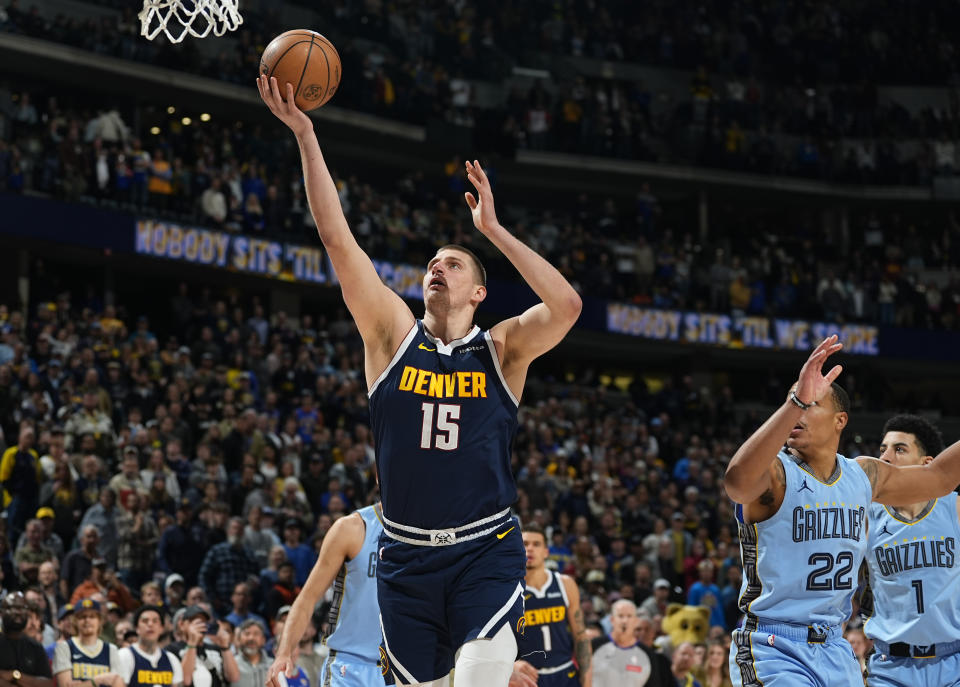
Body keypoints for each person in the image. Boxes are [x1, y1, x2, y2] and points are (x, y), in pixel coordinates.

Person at [258, 70, 582, 687]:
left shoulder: (503, 349)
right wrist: (305, 133)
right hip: (404, 557)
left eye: (453, 263)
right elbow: (335, 237)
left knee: (483, 669)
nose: (437, 267)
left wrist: (493, 231)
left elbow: (566, 307)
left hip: (485, 546)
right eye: (432, 262)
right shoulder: (390, 336)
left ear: (479, 292)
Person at [723, 336, 960, 686]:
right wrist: (798, 400)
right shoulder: (775, 475)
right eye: (794, 402)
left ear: (840, 421)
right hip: (775, 644)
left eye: (811, 404)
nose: (799, 412)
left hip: (835, 647)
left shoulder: (863, 475)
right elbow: (737, 482)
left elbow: (938, 477)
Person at [861, 414, 960, 686]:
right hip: (891, 666)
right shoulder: (867, 516)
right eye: (882, 449)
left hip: (954, 661)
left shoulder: (955, 508)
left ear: (927, 464)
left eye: (899, 449)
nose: (886, 457)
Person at [265, 504, 384, 687]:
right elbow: (307, 598)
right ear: (379, 477)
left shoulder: (430, 533)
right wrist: (284, 653)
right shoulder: (352, 528)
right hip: (350, 668)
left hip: (404, 669)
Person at [515, 525, 590, 687]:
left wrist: (587, 682)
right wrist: (510, 664)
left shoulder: (565, 584)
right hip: (527, 678)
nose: (530, 549)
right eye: (525, 544)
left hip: (565, 673)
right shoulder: (509, 589)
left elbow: (581, 637)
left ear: (546, 551)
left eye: (536, 544)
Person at [589, 600, 671, 687]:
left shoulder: (647, 654)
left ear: (636, 621)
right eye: (620, 616)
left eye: (629, 616)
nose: (625, 621)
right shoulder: (594, 645)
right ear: (612, 620)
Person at [51, 598, 124, 687]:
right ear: (75, 621)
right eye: (82, 617)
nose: (87, 620)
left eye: (92, 616)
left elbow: (118, 684)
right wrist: (96, 681)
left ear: (100, 621)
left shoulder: (111, 649)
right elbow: (64, 685)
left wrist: (82, 685)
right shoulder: (64, 647)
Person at [168, 605, 239, 687]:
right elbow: (185, 681)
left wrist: (225, 646)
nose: (200, 625)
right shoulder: (172, 650)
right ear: (181, 625)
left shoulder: (216, 649)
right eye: (194, 621)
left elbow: (234, 677)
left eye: (203, 621)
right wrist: (192, 643)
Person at [116, 606, 183, 687]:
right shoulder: (124, 655)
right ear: (137, 628)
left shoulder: (172, 659)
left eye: (155, 621)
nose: (150, 624)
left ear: (161, 628)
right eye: (145, 621)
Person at [0, 591, 54, 686]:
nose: (18, 613)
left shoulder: (35, 646)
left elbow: (48, 684)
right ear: (1, 613)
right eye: (12, 608)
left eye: (22, 608)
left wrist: (16, 675)